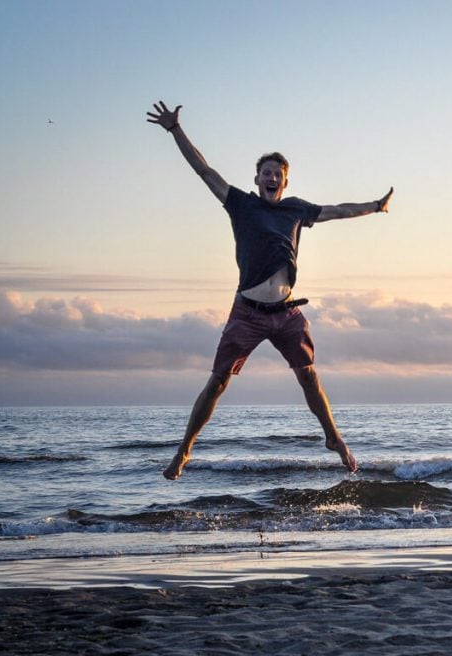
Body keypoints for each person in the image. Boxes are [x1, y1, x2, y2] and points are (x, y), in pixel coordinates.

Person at [147, 100, 392, 480]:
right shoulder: (240, 205)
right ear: (257, 178)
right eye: (266, 172)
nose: (272, 177)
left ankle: (333, 438)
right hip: (247, 312)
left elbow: (338, 210)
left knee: (309, 376)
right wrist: (176, 130)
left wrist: (375, 206)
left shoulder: (295, 210)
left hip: (287, 312)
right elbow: (204, 171)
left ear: (285, 181)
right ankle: (185, 450)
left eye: (278, 173)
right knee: (218, 382)